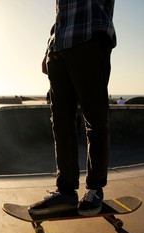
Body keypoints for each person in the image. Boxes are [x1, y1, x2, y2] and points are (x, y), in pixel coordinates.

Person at [28, 0, 117, 216]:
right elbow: (61, 14)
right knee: (60, 122)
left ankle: (95, 189)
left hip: (89, 36)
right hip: (58, 46)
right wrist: (48, 47)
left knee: (95, 120)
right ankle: (66, 190)